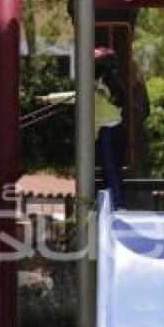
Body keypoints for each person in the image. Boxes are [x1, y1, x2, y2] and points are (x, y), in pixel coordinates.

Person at [37, 48, 126, 209]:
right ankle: (112, 202)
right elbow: (77, 96)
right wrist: (49, 99)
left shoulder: (105, 85)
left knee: (110, 168)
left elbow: (114, 98)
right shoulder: (101, 84)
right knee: (110, 168)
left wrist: (99, 88)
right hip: (113, 131)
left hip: (109, 131)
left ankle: (117, 203)